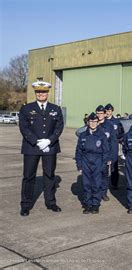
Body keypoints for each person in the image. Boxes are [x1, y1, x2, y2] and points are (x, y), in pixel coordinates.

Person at [18, 80, 64, 216]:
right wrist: (37, 142)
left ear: (47, 93)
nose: (41, 94)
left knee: (49, 175)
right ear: (35, 93)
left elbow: (59, 127)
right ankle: (26, 205)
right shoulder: (27, 108)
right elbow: (24, 127)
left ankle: (51, 202)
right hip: (31, 147)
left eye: (43, 92)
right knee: (28, 176)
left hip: (50, 147)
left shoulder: (55, 109)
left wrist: (49, 141)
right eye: (38, 92)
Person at [75, 113, 111, 214]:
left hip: (97, 162)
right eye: (91, 121)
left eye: (95, 122)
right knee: (86, 184)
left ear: (98, 123)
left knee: (96, 184)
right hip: (86, 162)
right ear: (87, 122)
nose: (93, 123)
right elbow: (78, 152)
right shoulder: (83, 135)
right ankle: (87, 204)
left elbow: (106, 151)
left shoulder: (102, 135)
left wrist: (103, 165)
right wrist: (79, 165)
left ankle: (95, 204)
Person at [96, 105, 117, 201]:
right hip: (95, 154)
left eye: (101, 113)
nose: (99, 115)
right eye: (98, 113)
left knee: (104, 175)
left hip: (105, 155)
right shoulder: (93, 123)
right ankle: (96, 192)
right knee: (96, 174)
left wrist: (112, 157)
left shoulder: (110, 125)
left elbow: (113, 142)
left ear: (105, 114)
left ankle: (103, 193)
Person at [104, 103, 124, 190]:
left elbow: (121, 133)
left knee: (114, 166)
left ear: (112, 111)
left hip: (113, 147)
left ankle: (114, 183)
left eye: (110, 111)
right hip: (104, 147)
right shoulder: (102, 121)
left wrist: (119, 139)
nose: (108, 112)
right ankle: (103, 185)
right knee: (104, 167)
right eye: (107, 111)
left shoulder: (117, 122)